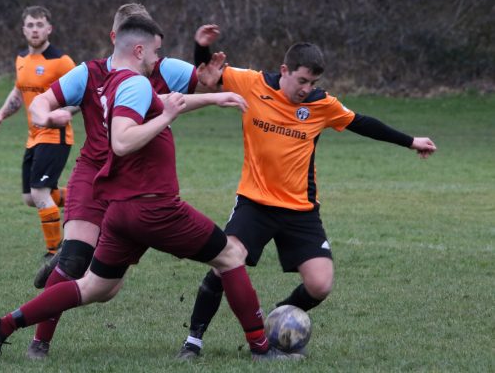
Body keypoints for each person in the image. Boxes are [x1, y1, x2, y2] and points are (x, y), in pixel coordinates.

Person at [0, 15, 293, 363]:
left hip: (120, 211)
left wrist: (216, 98)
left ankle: (1, 327)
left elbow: (169, 101)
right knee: (231, 256)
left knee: (96, 288)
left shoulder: (117, 83)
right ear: (139, 49)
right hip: (154, 207)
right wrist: (167, 117)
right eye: (156, 51)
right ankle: (262, 350)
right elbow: (123, 141)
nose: (160, 58)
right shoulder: (135, 85)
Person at [177, 25, 438, 359]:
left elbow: (362, 122)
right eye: (302, 80)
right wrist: (201, 49)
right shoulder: (251, 83)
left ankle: (276, 319)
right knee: (225, 262)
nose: (307, 88)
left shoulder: (321, 104)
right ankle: (193, 342)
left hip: (301, 210)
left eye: (312, 83)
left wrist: (410, 141)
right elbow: (209, 76)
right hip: (254, 204)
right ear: (284, 70)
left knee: (320, 285)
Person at [23, 3, 232, 360]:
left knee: (107, 290)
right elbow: (40, 103)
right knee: (75, 261)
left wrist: (205, 61)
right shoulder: (89, 72)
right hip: (95, 173)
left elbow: (209, 78)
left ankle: (62, 268)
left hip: (138, 183)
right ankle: (39, 342)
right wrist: (48, 118)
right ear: (116, 37)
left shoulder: (165, 68)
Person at [0, 6, 75, 259]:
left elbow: (81, 93)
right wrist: (0, 115)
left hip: (55, 135)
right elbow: (18, 92)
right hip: (33, 137)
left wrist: (65, 112)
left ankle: (55, 252)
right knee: (30, 198)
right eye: (30, 25)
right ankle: (85, 199)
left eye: (39, 25)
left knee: (40, 193)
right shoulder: (21, 59)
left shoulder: (61, 61)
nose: (35, 30)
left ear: (49, 29)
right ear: (24, 30)